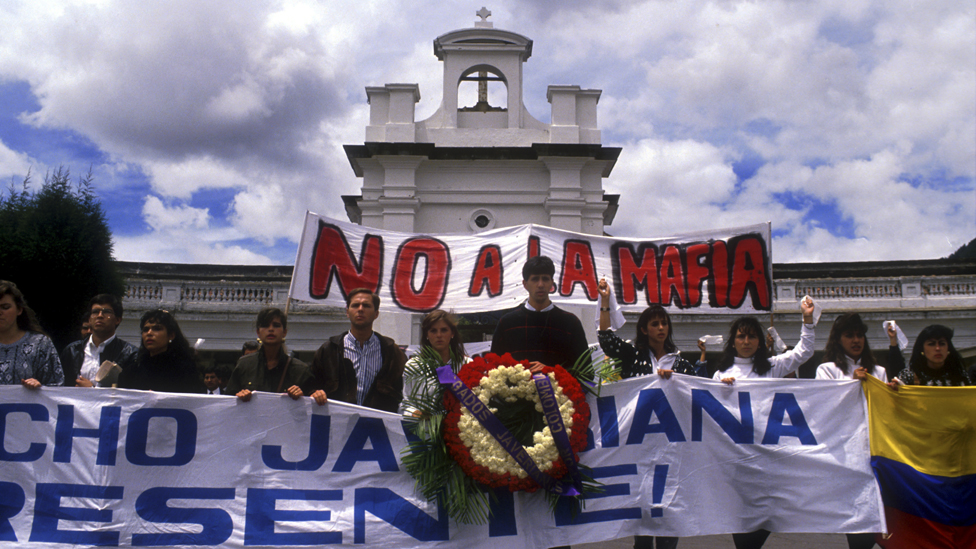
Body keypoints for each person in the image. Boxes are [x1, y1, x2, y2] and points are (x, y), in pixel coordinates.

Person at [712, 298, 815, 549]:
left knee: (768, 518)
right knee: (743, 524)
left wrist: (808, 320)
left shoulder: (772, 366)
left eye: (751, 337)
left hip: (769, 458)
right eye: (741, 337)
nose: (746, 342)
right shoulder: (720, 374)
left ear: (759, 341)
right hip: (738, 459)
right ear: (733, 341)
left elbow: (805, 352)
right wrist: (719, 392)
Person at [598, 278, 686, 549]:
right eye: (655, 324)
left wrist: (727, 386)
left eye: (664, 323)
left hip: (671, 447)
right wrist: (604, 302)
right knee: (644, 513)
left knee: (670, 512)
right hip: (639, 444)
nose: (661, 328)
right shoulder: (632, 355)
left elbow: (700, 394)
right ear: (645, 329)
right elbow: (606, 339)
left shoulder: (680, 361)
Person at [309, 288, 406, 412]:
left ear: (376, 314)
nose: (360, 309)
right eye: (355, 305)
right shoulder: (329, 350)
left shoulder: (392, 352)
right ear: (347, 312)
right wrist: (315, 393)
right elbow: (311, 385)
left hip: (378, 427)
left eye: (366, 305)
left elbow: (403, 392)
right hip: (338, 425)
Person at [491, 256, 590, 373]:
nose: (540, 284)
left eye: (545, 279)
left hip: (559, 391)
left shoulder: (570, 323)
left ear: (552, 283)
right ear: (525, 284)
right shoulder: (507, 323)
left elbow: (586, 373)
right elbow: (493, 370)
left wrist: (551, 372)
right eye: (535, 279)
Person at [226, 308, 319, 402]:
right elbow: (226, 403)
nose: (270, 329)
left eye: (276, 325)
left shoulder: (300, 370)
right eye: (265, 325)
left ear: (284, 332)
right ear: (258, 332)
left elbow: (313, 402)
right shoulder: (244, 365)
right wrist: (237, 397)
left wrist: (304, 397)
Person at [60, 294, 138, 387]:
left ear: (117, 320)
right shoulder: (72, 351)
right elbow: (59, 385)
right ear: (89, 319)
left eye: (106, 312)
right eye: (95, 312)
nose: (100, 316)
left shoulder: (129, 354)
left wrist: (93, 390)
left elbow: (130, 393)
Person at [117, 309, 204, 393]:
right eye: (145, 329)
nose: (149, 333)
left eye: (157, 328)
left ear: (171, 335)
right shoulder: (131, 372)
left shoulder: (185, 370)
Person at [401, 310, 469, 414]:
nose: (439, 335)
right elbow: (406, 404)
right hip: (426, 427)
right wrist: (415, 413)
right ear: (426, 335)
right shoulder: (414, 366)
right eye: (433, 331)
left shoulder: (467, 364)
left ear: (452, 333)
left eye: (444, 330)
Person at [0, 280, 64, 388]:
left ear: (19, 310)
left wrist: (40, 388)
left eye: (5, 307)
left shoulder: (40, 344)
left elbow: (57, 387)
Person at [815, 313, 888, 383]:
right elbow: (826, 396)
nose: (856, 340)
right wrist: (853, 383)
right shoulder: (827, 370)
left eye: (859, 335)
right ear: (838, 340)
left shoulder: (879, 372)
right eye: (849, 335)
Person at [892, 324, 970, 387]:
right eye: (931, 344)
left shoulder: (958, 373)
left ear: (948, 348)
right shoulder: (909, 375)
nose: (938, 348)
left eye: (942, 344)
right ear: (922, 349)